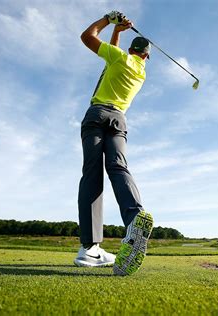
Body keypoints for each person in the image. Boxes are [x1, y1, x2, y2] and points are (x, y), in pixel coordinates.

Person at [74, 11, 154, 276]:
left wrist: (108, 20)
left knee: (92, 174)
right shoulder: (140, 72)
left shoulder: (118, 57)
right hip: (119, 120)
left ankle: (90, 248)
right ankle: (134, 219)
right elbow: (113, 56)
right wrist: (119, 31)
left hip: (97, 115)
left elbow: (87, 37)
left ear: (131, 49)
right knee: (119, 168)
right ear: (146, 56)